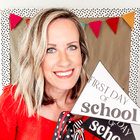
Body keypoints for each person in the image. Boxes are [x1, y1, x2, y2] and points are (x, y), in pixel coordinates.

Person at [0, 8, 100, 140]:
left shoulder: (101, 106)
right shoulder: (13, 102)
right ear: (35, 56)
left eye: (72, 47)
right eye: (50, 49)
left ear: (81, 53)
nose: (64, 62)